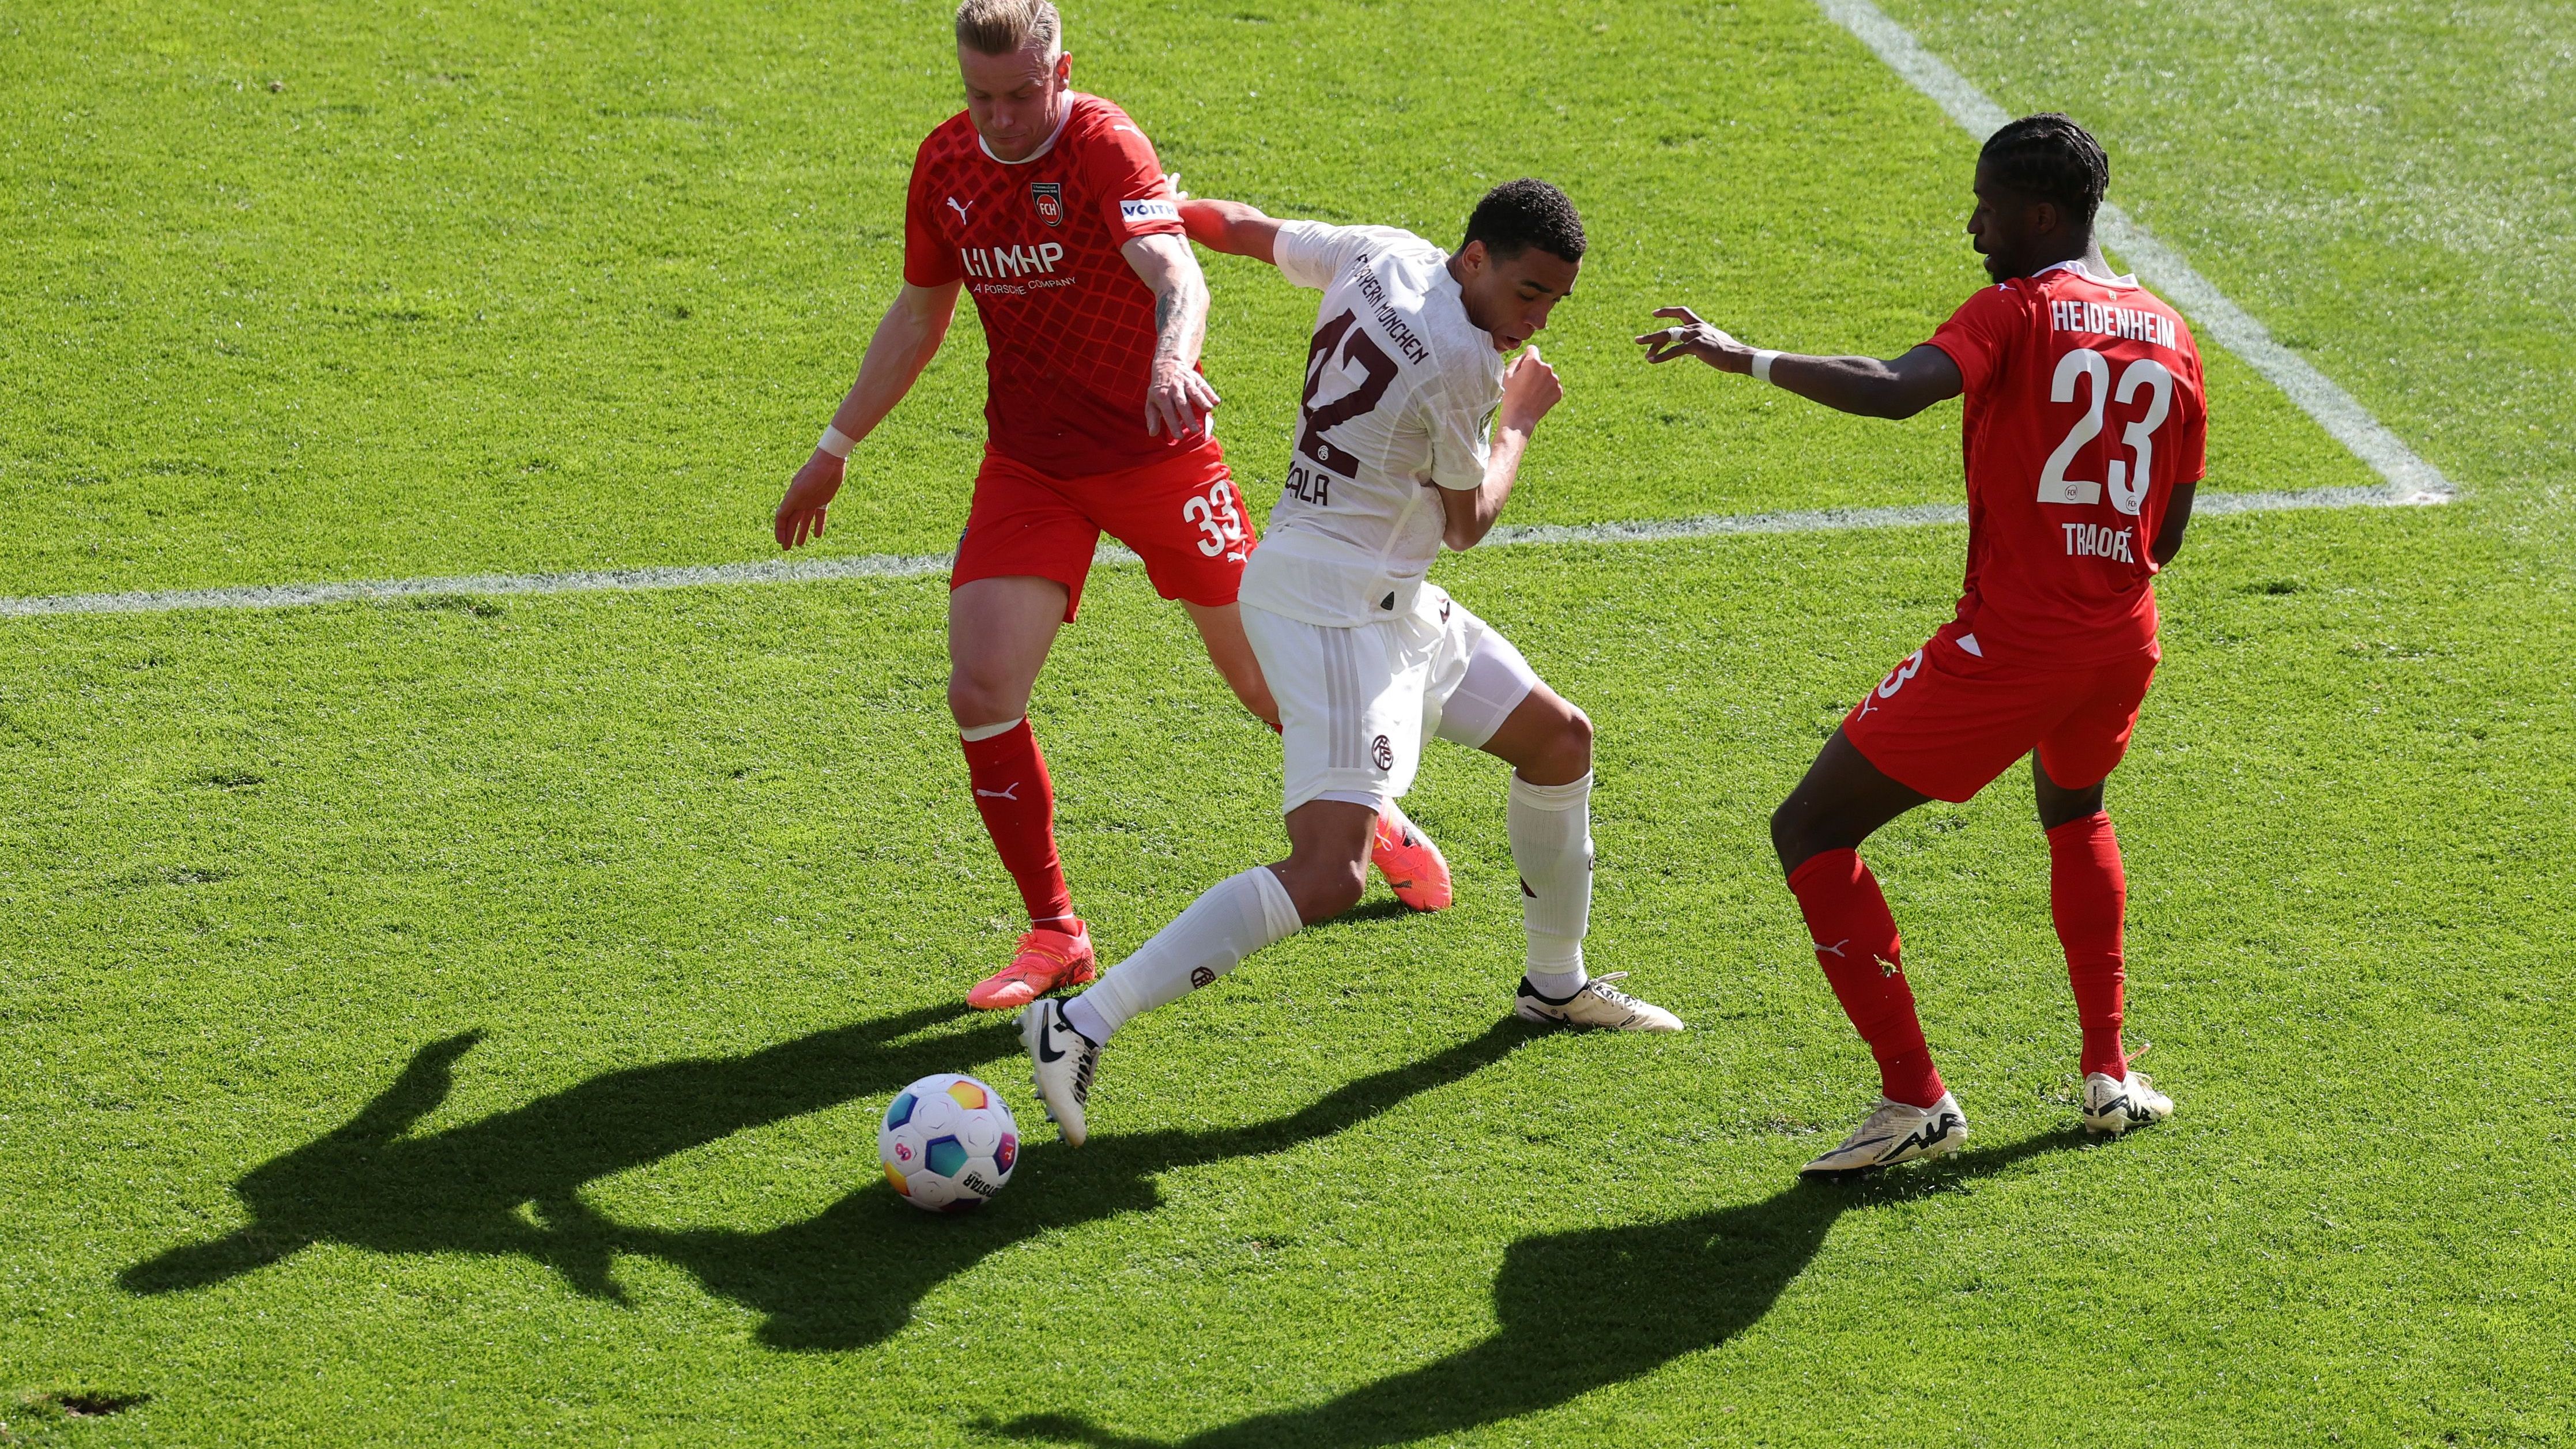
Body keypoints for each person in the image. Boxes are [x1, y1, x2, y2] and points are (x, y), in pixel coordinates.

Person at [774, 0, 1452, 1013]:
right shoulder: (947, 165)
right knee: (981, 687)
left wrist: (1171, 359)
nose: (999, 119)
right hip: (1031, 465)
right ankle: (1055, 930)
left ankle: (1371, 821)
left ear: (1060, 70)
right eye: (978, 96)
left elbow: (1172, 266)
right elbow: (922, 309)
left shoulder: (1102, 143)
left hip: (1158, 455)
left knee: (1273, 689)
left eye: (1018, 95)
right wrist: (834, 448)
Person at [1024, 179, 1687, 1147]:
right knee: (1328, 873)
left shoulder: (1384, 250)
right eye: (1528, 293)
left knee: (1558, 739)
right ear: (1472, 260)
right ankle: (1080, 1019)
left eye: (1554, 302)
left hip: (1386, 595)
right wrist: (1520, 421)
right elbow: (1467, 524)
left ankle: (1555, 985)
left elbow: (1247, 231)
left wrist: (1155, 205)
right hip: (1333, 612)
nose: (1536, 319)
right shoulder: (1466, 367)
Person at [1637, 114, 2204, 1175]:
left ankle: (1915, 1098)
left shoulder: (2016, 307)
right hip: (2122, 635)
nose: (1973, 227)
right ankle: (2106, 1074)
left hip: (2014, 644)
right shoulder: (2171, 332)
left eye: (1987, 207)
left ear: (2041, 213)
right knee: (2074, 806)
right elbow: (2164, 531)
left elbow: (1897, 387)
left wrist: (1743, 356)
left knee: (1809, 826)